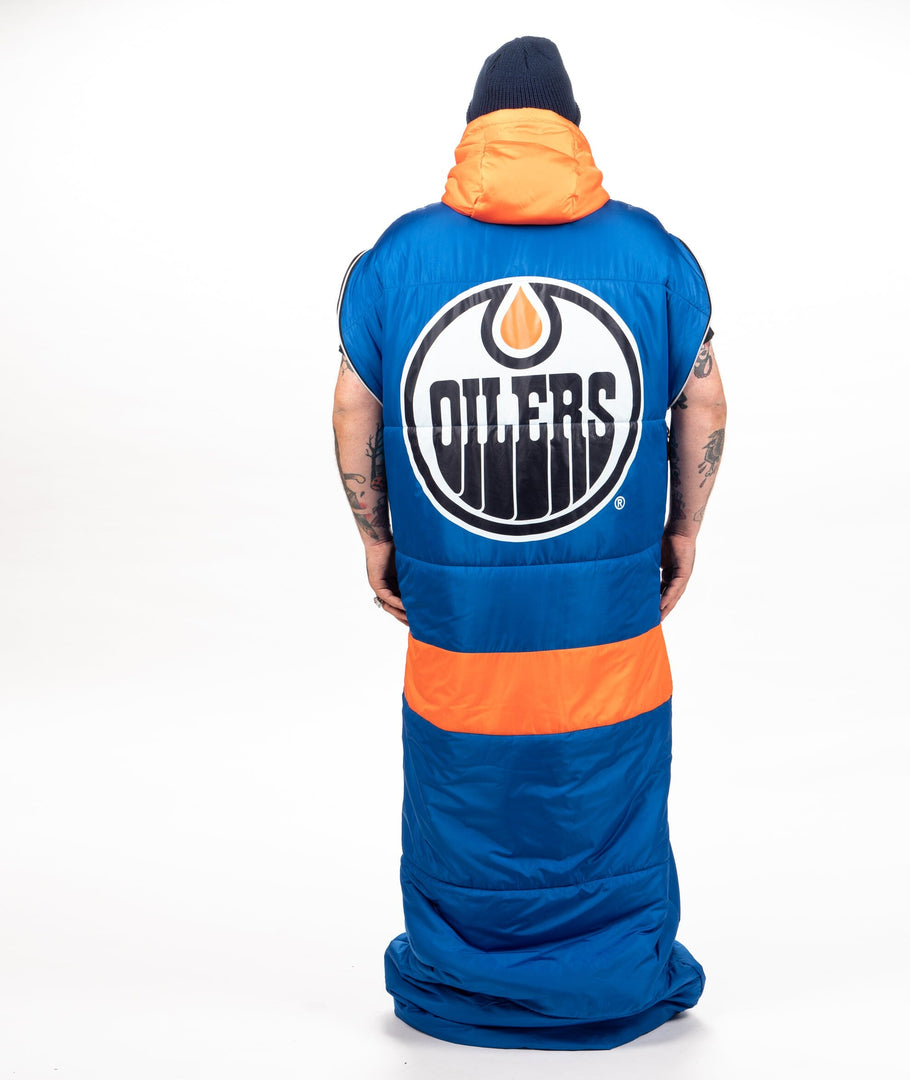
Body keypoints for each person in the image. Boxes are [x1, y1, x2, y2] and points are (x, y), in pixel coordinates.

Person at [331, 36, 727, 1050]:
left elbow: (353, 405)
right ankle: (609, 975)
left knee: (464, 790)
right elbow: (706, 399)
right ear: (571, 132)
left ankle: (466, 977)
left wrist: (375, 534)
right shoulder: (651, 252)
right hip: (605, 613)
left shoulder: (399, 257)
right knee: (605, 781)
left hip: (462, 611)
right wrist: (684, 525)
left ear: (476, 131)